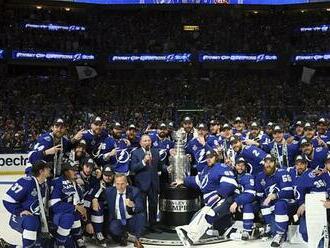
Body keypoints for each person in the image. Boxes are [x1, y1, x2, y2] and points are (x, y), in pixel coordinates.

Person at [174, 150, 237, 246]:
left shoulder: (222, 167)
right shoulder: (205, 169)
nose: (208, 159)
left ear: (216, 157)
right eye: (207, 157)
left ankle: (191, 236)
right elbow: (197, 181)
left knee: (208, 214)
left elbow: (231, 184)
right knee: (199, 214)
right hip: (211, 200)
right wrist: (183, 181)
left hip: (223, 198)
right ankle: (189, 233)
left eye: (211, 157)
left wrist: (219, 195)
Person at [3, 160, 51, 248]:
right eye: (47, 168)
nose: (50, 169)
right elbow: (7, 199)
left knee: (41, 245)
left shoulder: (45, 184)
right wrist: (19, 211)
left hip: (37, 218)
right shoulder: (26, 182)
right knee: (31, 222)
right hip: (21, 217)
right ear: (41, 171)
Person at [255, 154, 295, 247]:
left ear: (275, 163)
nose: (268, 164)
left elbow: (289, 191)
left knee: (279, 205)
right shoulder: (260, 176)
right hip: (273, 205)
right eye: (266, 162)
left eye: (271, 162)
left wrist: (275, 195)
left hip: (288, 202)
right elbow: (260, 194)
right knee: (263, 203)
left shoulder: (282, 172)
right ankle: (269, 226)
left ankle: (281, 234)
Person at [130, 134, 162, 233]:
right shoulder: (136, 153)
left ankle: (153, 225)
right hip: (141, 184)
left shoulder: (156, 152)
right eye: (145, 141)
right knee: (142, 207)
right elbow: (133, 168)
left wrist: (168, 168)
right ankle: (143, 227)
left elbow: (159, 167)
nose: (147, 142)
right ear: (140, 143)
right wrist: (143, 161)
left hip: (153, 183)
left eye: (148, 140)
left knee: (153, 205)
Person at [49, 162, 86, 248]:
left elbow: (79, 200)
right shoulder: (58, 182)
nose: (75, 172)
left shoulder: (74, 183)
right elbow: (54, 205)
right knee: (68, 217)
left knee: (76, 214)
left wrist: (82, 209)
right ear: (65, 172)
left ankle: (78, 238)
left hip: (69, 213)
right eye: (72, 170)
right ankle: (59, 244)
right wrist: (75, 207)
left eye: (75, 170)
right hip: (56, 216)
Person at [291, 155, 327, 242]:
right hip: (301, 207)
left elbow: (322, 194)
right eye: (297, 164)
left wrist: (306, 204)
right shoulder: (292, 174)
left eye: (302, 164)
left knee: (310, 231)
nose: (299, 166)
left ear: (306, 164)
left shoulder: (314, 174)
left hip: (315, 207)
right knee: (304, 232)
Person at [105, 174, 145, 248]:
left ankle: (137, 239)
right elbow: (100, 198)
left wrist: (133, 205)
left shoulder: (134, 191)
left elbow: (140, 207)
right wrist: (95, 199)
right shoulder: (109, 191)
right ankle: (123, 236)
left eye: (122, 184)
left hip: (131, 219)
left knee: (141, 215)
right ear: (114, 184)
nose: (120, 186)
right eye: (118, 184)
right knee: (113, 228)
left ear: (126, 183)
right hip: (117, 220)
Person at [84, 165, 115, 247]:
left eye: (110, 175)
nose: (108, 177)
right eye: (106, 175)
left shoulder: (117, 184)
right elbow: (86, 202)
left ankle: (112, 232)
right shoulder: (97, 184)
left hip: (109, 212)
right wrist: (87, 222)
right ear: (102, 174)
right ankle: (98, 232)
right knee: (98, 206)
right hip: (95, 213)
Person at [229, 157, 257, 240]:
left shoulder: (248, 177)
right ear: (235, 166)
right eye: (238, 165)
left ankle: (247, 230)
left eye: (242, 165)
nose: (240, 167)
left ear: (245, 167)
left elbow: (250, 194)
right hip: (236, 203)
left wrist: (237, 202)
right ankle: (221, 227)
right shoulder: (232, 176)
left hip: (251, 203)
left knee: (247, 205)